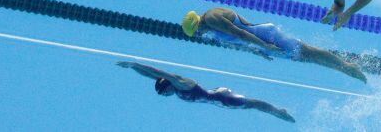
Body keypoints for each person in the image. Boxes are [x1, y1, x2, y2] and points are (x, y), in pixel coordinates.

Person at [181, 7, 366, 82]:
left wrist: (265, 46)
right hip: (262, 42)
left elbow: (241, 33)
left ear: (197, 25)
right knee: (306, 57)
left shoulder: (211, 18)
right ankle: (345, 69)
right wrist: (258, 51)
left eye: (197, 32)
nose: (200, 34)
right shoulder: (211, 26)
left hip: (266, 36)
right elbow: (239, 41)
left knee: (307, 51)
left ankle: (348, 65)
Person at [117, 61, 296, 123]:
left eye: (162, 93)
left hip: (221, 97)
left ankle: (279, 112)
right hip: (216, 98)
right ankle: (277, 112)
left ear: (167, 86)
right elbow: (152, 77)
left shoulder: (181, 83)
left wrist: (135, 64)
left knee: (252, 104)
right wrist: (134, 69)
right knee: (249, 106)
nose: (164, 96)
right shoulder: (176, 89)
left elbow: (158, 73)